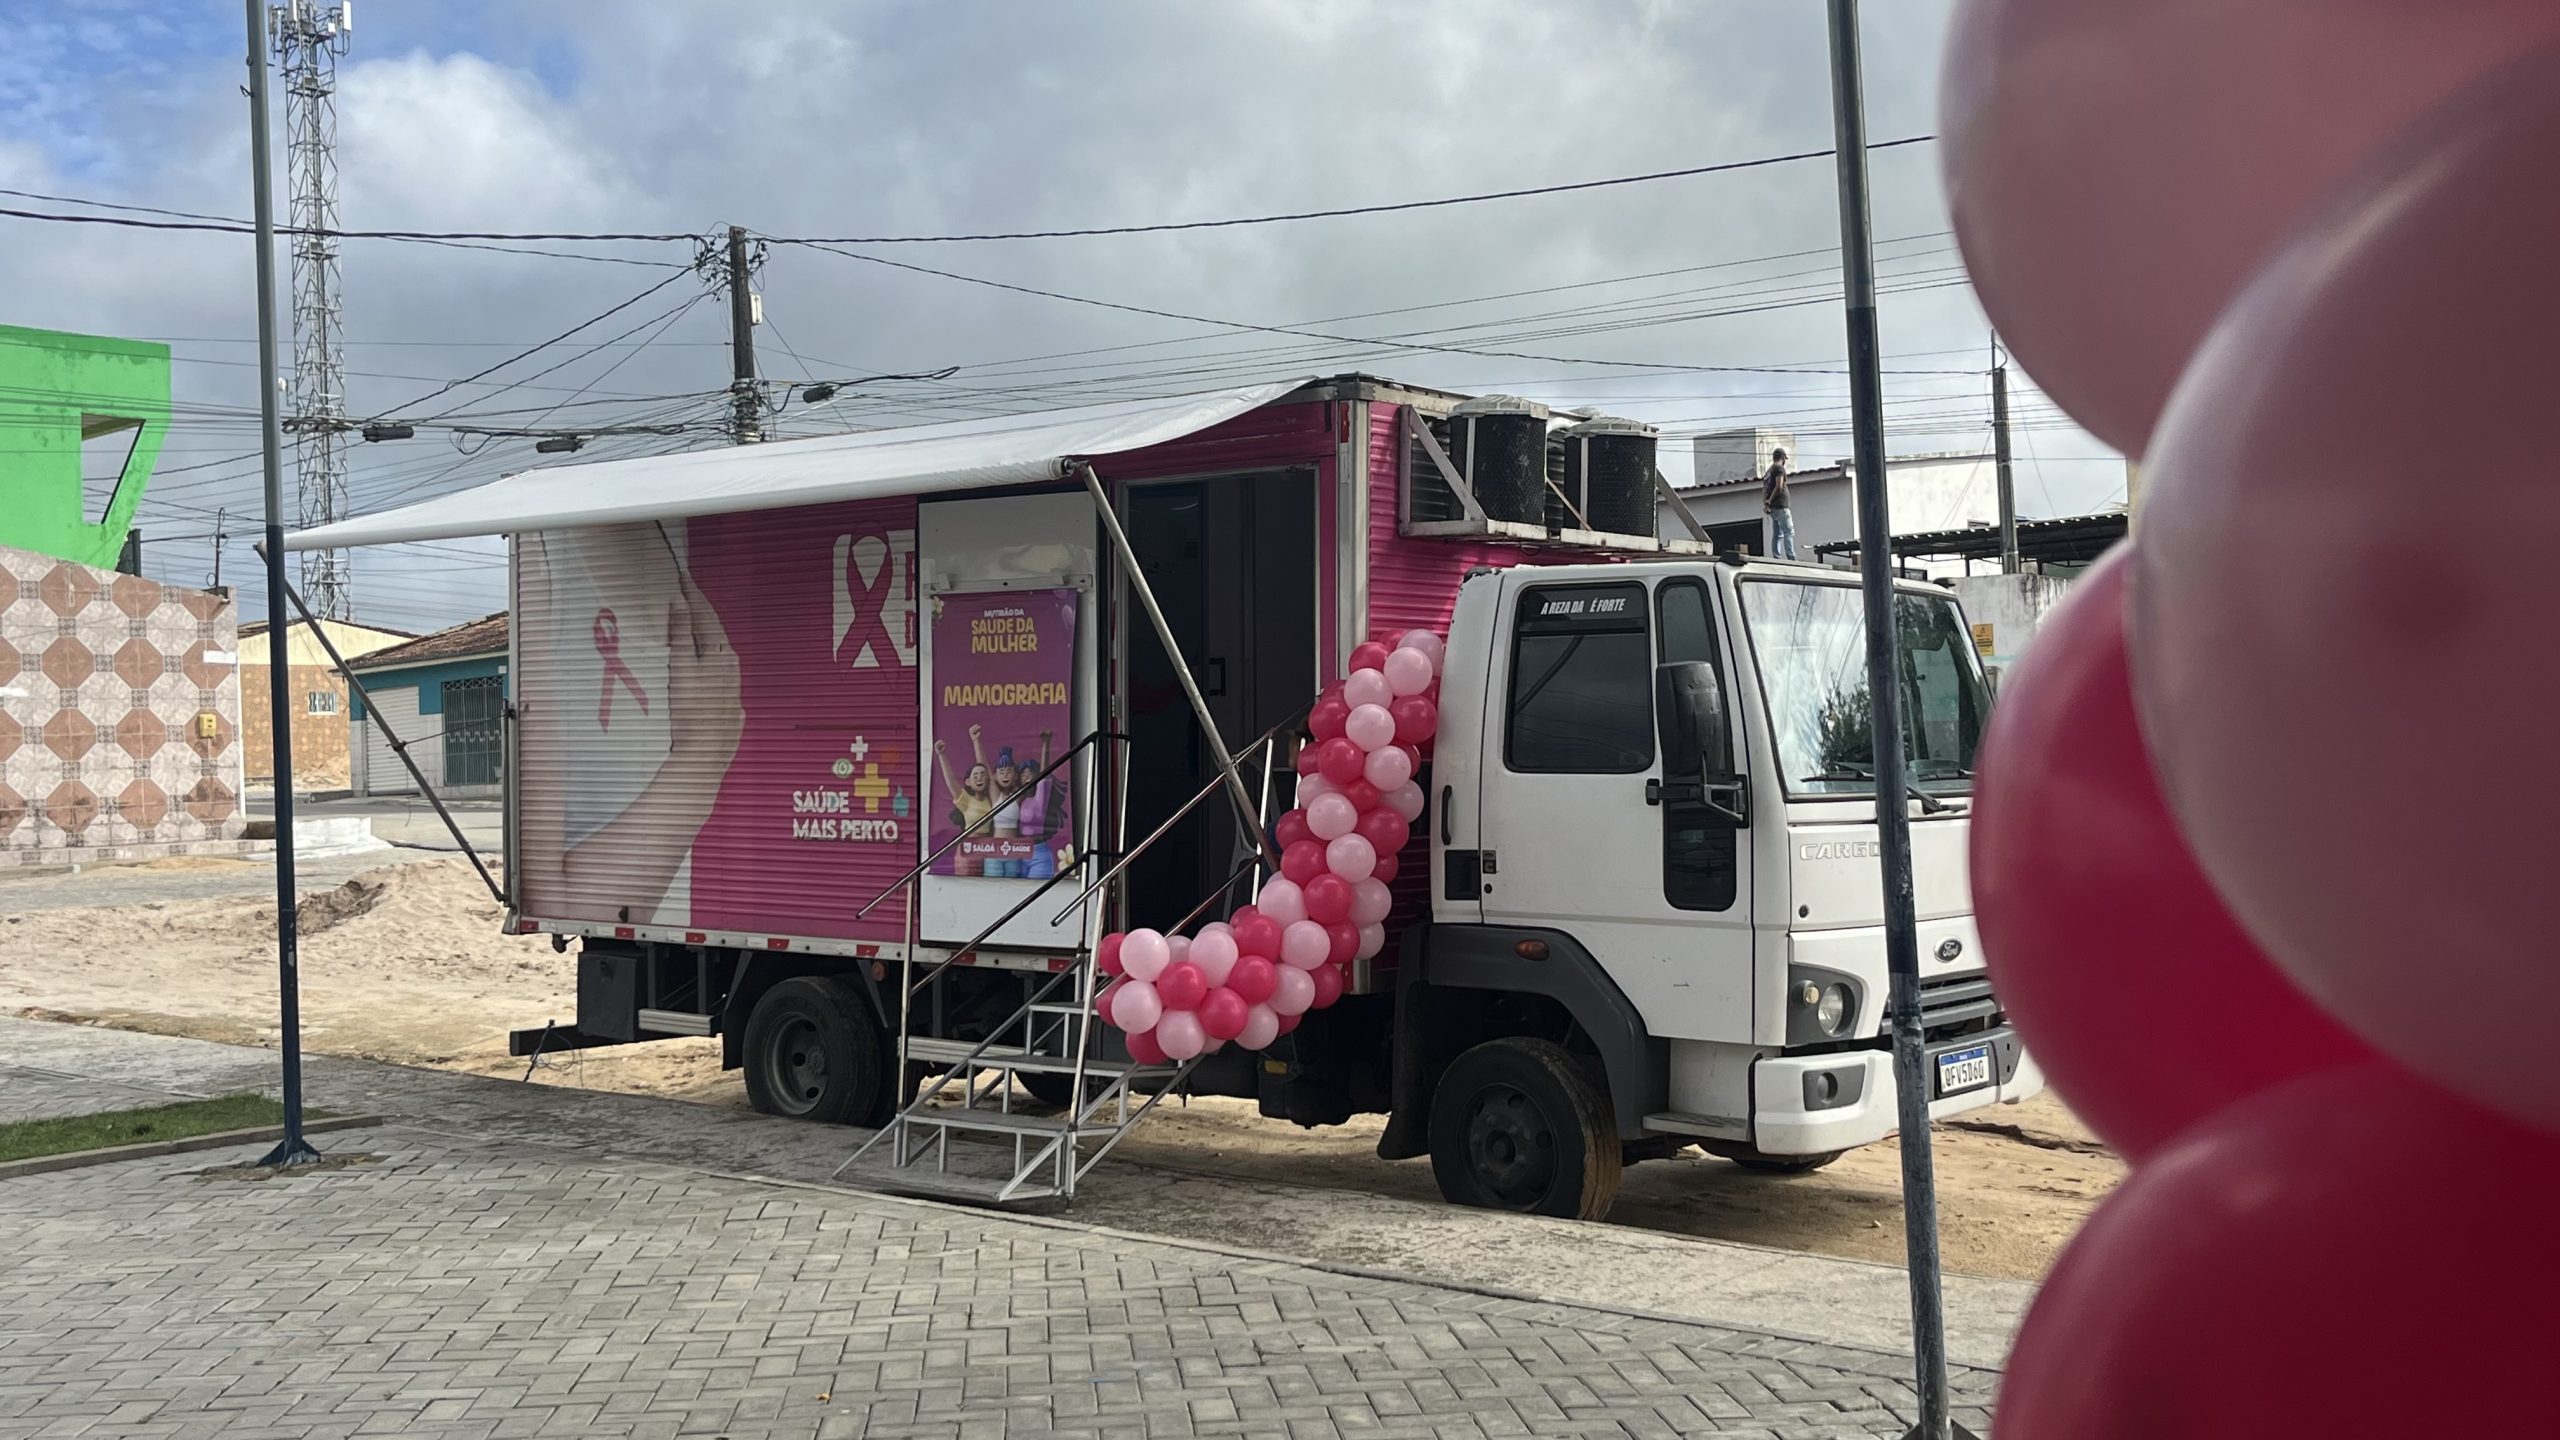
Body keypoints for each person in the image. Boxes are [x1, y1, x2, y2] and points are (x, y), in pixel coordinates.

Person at [1762, 446, 1798, 559]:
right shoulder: (1779, 468)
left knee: (1777, 534)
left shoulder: (1768, 471)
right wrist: (1769, 501)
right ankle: (1791, 557)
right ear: (1782, 457)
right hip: (1780, 505)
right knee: (1788, 531)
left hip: (1773, 508)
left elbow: (1765, 489)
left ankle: (1776, 556)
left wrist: (1766, 503)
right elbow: (1779, 486)